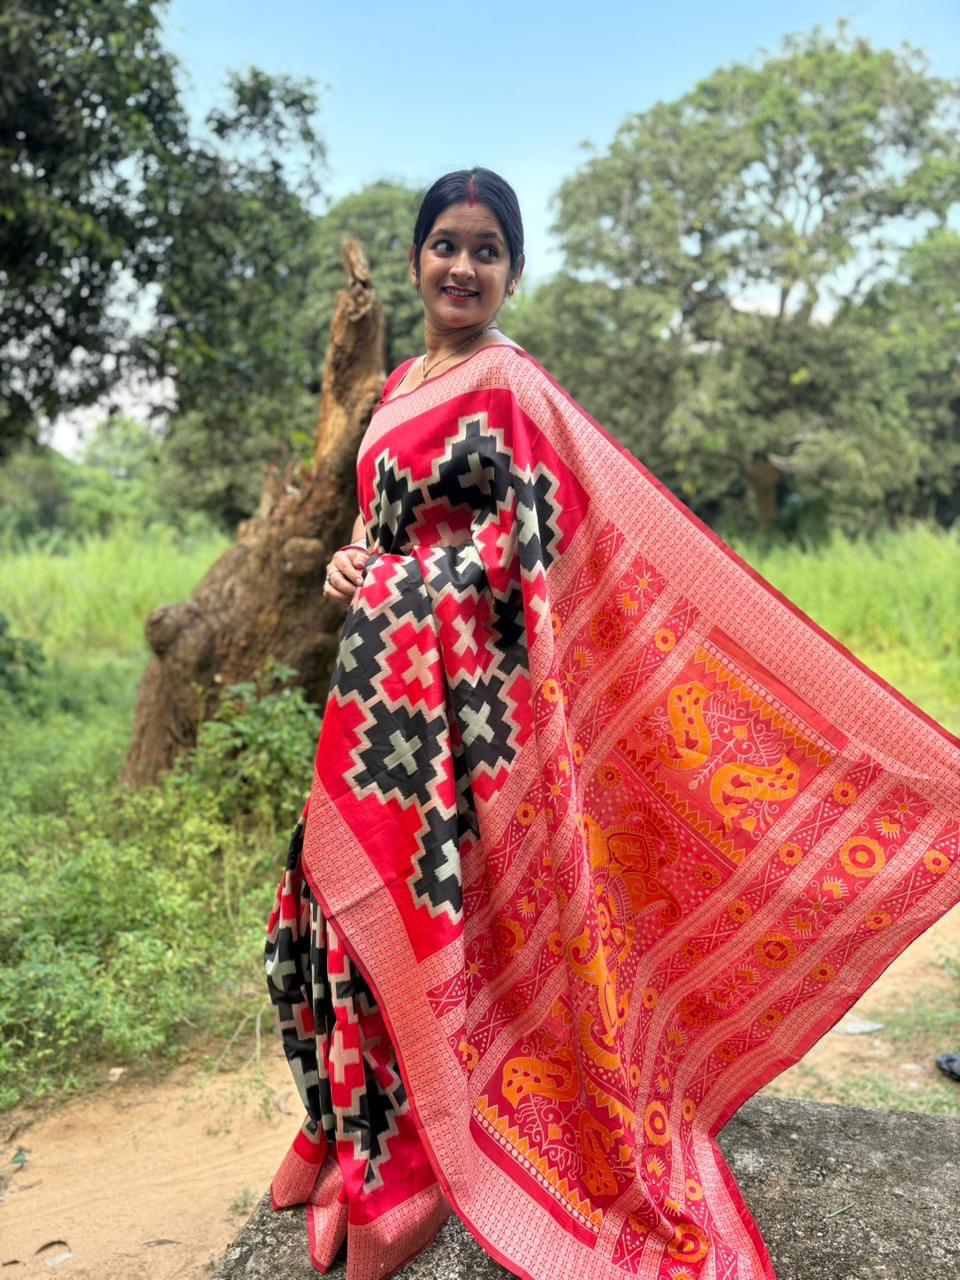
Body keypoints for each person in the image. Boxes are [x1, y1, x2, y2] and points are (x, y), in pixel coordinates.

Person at [264, 168, 960, 1280]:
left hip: (470, 712)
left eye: (488, 249)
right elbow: (377, 518)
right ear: (413, 260)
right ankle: (381, 1151)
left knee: (460, 922)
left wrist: (409, 584)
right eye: (445, 243)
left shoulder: (513, 388)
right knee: (334, 914)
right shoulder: (396, 385)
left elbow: (530, 550)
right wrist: (358, 563)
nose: (463, 265)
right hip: (380, 698)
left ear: (512, 271)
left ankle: (439, 1159)